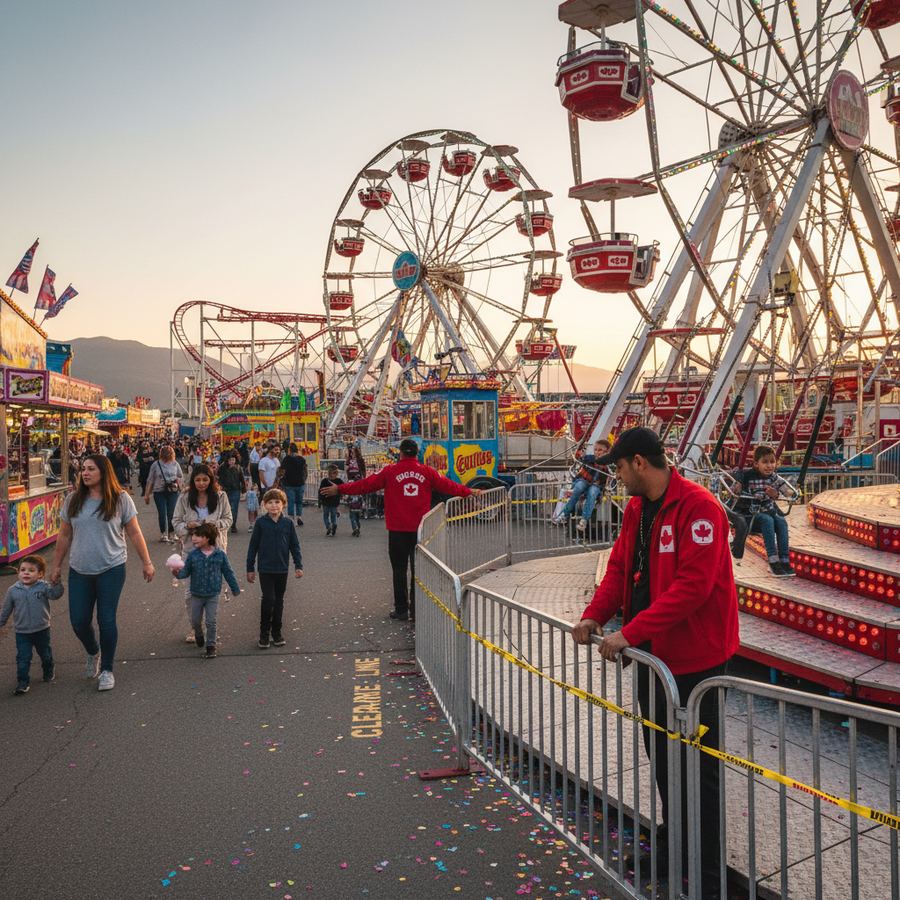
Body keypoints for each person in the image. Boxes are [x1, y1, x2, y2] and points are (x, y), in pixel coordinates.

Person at [571, 427, 738, 900]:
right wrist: (594, 614)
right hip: (653, 657)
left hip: (696, 659)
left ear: (639, 463)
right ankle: (673, 845)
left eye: (620, 468)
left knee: (699, 765)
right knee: (663, 755)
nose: (617, 478)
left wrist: (629, 632)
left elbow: (694, 587)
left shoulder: (700, 507)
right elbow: (621, 568)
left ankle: (707, 871)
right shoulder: (636, 510)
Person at [321, 438, 473, 622]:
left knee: (399, 570)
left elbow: (365, 485)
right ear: (417, 453)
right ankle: (416, 610)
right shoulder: (427, 472)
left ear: (400, 453)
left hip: (397, 530)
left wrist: (340, 489)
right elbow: (449, 485)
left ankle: (401, 609)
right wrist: (469, 492)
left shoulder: (390, 472)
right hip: (420, 529)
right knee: (418, 572)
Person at [50, 454, 155, 692]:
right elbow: (64, 535)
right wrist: (56, 565)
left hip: (112, 568)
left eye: (91, 469)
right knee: (78, 621)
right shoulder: (73, 500)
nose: (85, 473)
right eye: (83, 469)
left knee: (106, 619)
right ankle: (92, 651)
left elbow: (135, 533)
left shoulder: (120, 499)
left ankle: (107, 669)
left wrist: (147, 562)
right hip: (79, 569)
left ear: (103, 472)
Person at [169, 522, 241, 659]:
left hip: (213, 594)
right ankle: (198, 633)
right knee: (195, 620)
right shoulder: (193, 555)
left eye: (198, 536)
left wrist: (235, 588)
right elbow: (185, 572)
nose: (194, 539)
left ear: (208, 538)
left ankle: (211, 646)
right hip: (196, 594)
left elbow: (228, 572)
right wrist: (176, 573)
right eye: (193, 536)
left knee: (211, 621)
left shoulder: (220, 555)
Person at [246, 488, 303, 649]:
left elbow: (294, 546)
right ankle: (264, 634)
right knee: (268, 599)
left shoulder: (288, 523)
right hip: (265, 569)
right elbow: (253, 547)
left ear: (283, 504)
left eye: (277, 502)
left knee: (279, 601)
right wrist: (250, 568)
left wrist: (298, 565)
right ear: (264, 505)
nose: (273, 506)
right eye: (270, 502)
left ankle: (277, 633)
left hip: (282, 569)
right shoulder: (260, 523)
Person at [0, 555, 65, 695]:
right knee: (23, 658)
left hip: (41, 629)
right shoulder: (13, 591)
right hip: (22, 632)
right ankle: (22, 682)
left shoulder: (43, 587)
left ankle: (48, 669)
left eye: (31, 570)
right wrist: (1, 623)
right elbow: (6, 610)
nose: (26, 573)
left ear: (40, 574)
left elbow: (55, 595)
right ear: (18, 572)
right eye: (22, 570)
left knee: (45, 654)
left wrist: (57, 583)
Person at [729, 445, 795, 576]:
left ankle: (784, 560)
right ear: (756, 464)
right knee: (768, 520)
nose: (769, 466)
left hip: (767, 511)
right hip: (750, 514)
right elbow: (735, 488)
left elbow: (787, 492)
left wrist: (778, 494)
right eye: (765, 462)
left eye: (772, 462)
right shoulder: (747, 476)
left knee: (781, 521)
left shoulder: (774, 478)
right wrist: (738, 486)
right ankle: (773, 561)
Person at [552, 438, 612, 532]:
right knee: (579, 487)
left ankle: (584, 520)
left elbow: (611, 474)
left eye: (600, 450)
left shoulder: (609, 464)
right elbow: (580, 457)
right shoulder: (590, 458)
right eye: (595, 450)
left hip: (596, 486)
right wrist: (580, 450)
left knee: (592, 492)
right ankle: (565, 514)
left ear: (607, 451)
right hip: (584, 481)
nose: (597, 452)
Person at [143, 445, 183, 542]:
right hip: (159, 492)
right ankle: (163, 534)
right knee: (162, 513)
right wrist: (146, 494)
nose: (167, 456)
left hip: (173, 491)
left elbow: (180, 477)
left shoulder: (175, 464)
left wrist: (181, 490)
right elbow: (150, 480)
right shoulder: (156, 464)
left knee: (171, 513)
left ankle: (172, 533)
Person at [281, 443, 308, 526]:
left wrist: (281, 481)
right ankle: (299, 517)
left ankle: (292, 519)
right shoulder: (302, 459)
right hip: (300, 483)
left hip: (289, 484)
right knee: (299, 501)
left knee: (291, 501)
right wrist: (304, 480)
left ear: (289, 450)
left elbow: (282, 471)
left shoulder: (286, 459)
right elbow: (305, 471)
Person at [218, 454, 245, 534]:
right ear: (227, 460)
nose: (232, 461)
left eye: (233, 460)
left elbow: (242, 478)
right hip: (226, 490)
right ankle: (224, 525)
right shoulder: (223, 468)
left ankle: (233, 525)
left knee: (234, 509)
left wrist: (244, 489)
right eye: (230, 460)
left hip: (236, 490)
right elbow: (220, 478)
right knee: (224, 508)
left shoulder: (238, 468)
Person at [319, 464, 343, 536]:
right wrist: (341, 495)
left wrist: (320, 501)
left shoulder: (324, 481)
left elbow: (320, 491)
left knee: (325, 515)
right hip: (334, 502)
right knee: (333, 515)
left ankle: (328, 526)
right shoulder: (339, 481)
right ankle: (334, 524)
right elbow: (343, 488)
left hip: (326, 501)